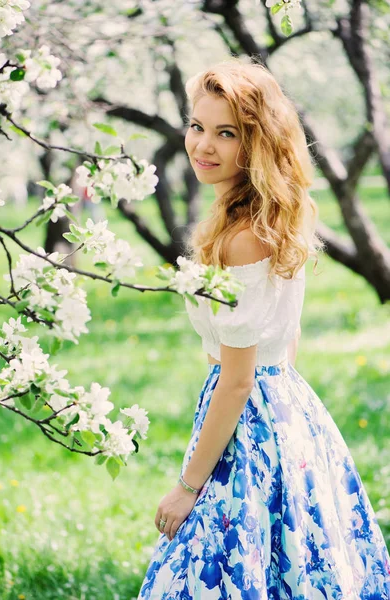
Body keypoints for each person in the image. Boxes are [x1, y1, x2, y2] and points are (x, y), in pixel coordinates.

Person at [137, 58, 390, 599]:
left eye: (225, 133)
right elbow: (285, 340)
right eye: (197, 126)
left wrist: (187, 488)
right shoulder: (263, 218)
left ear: (255, 143)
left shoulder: (244, 237)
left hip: (250, 412)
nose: (203, 145)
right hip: (285, 405)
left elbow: (236, 379)